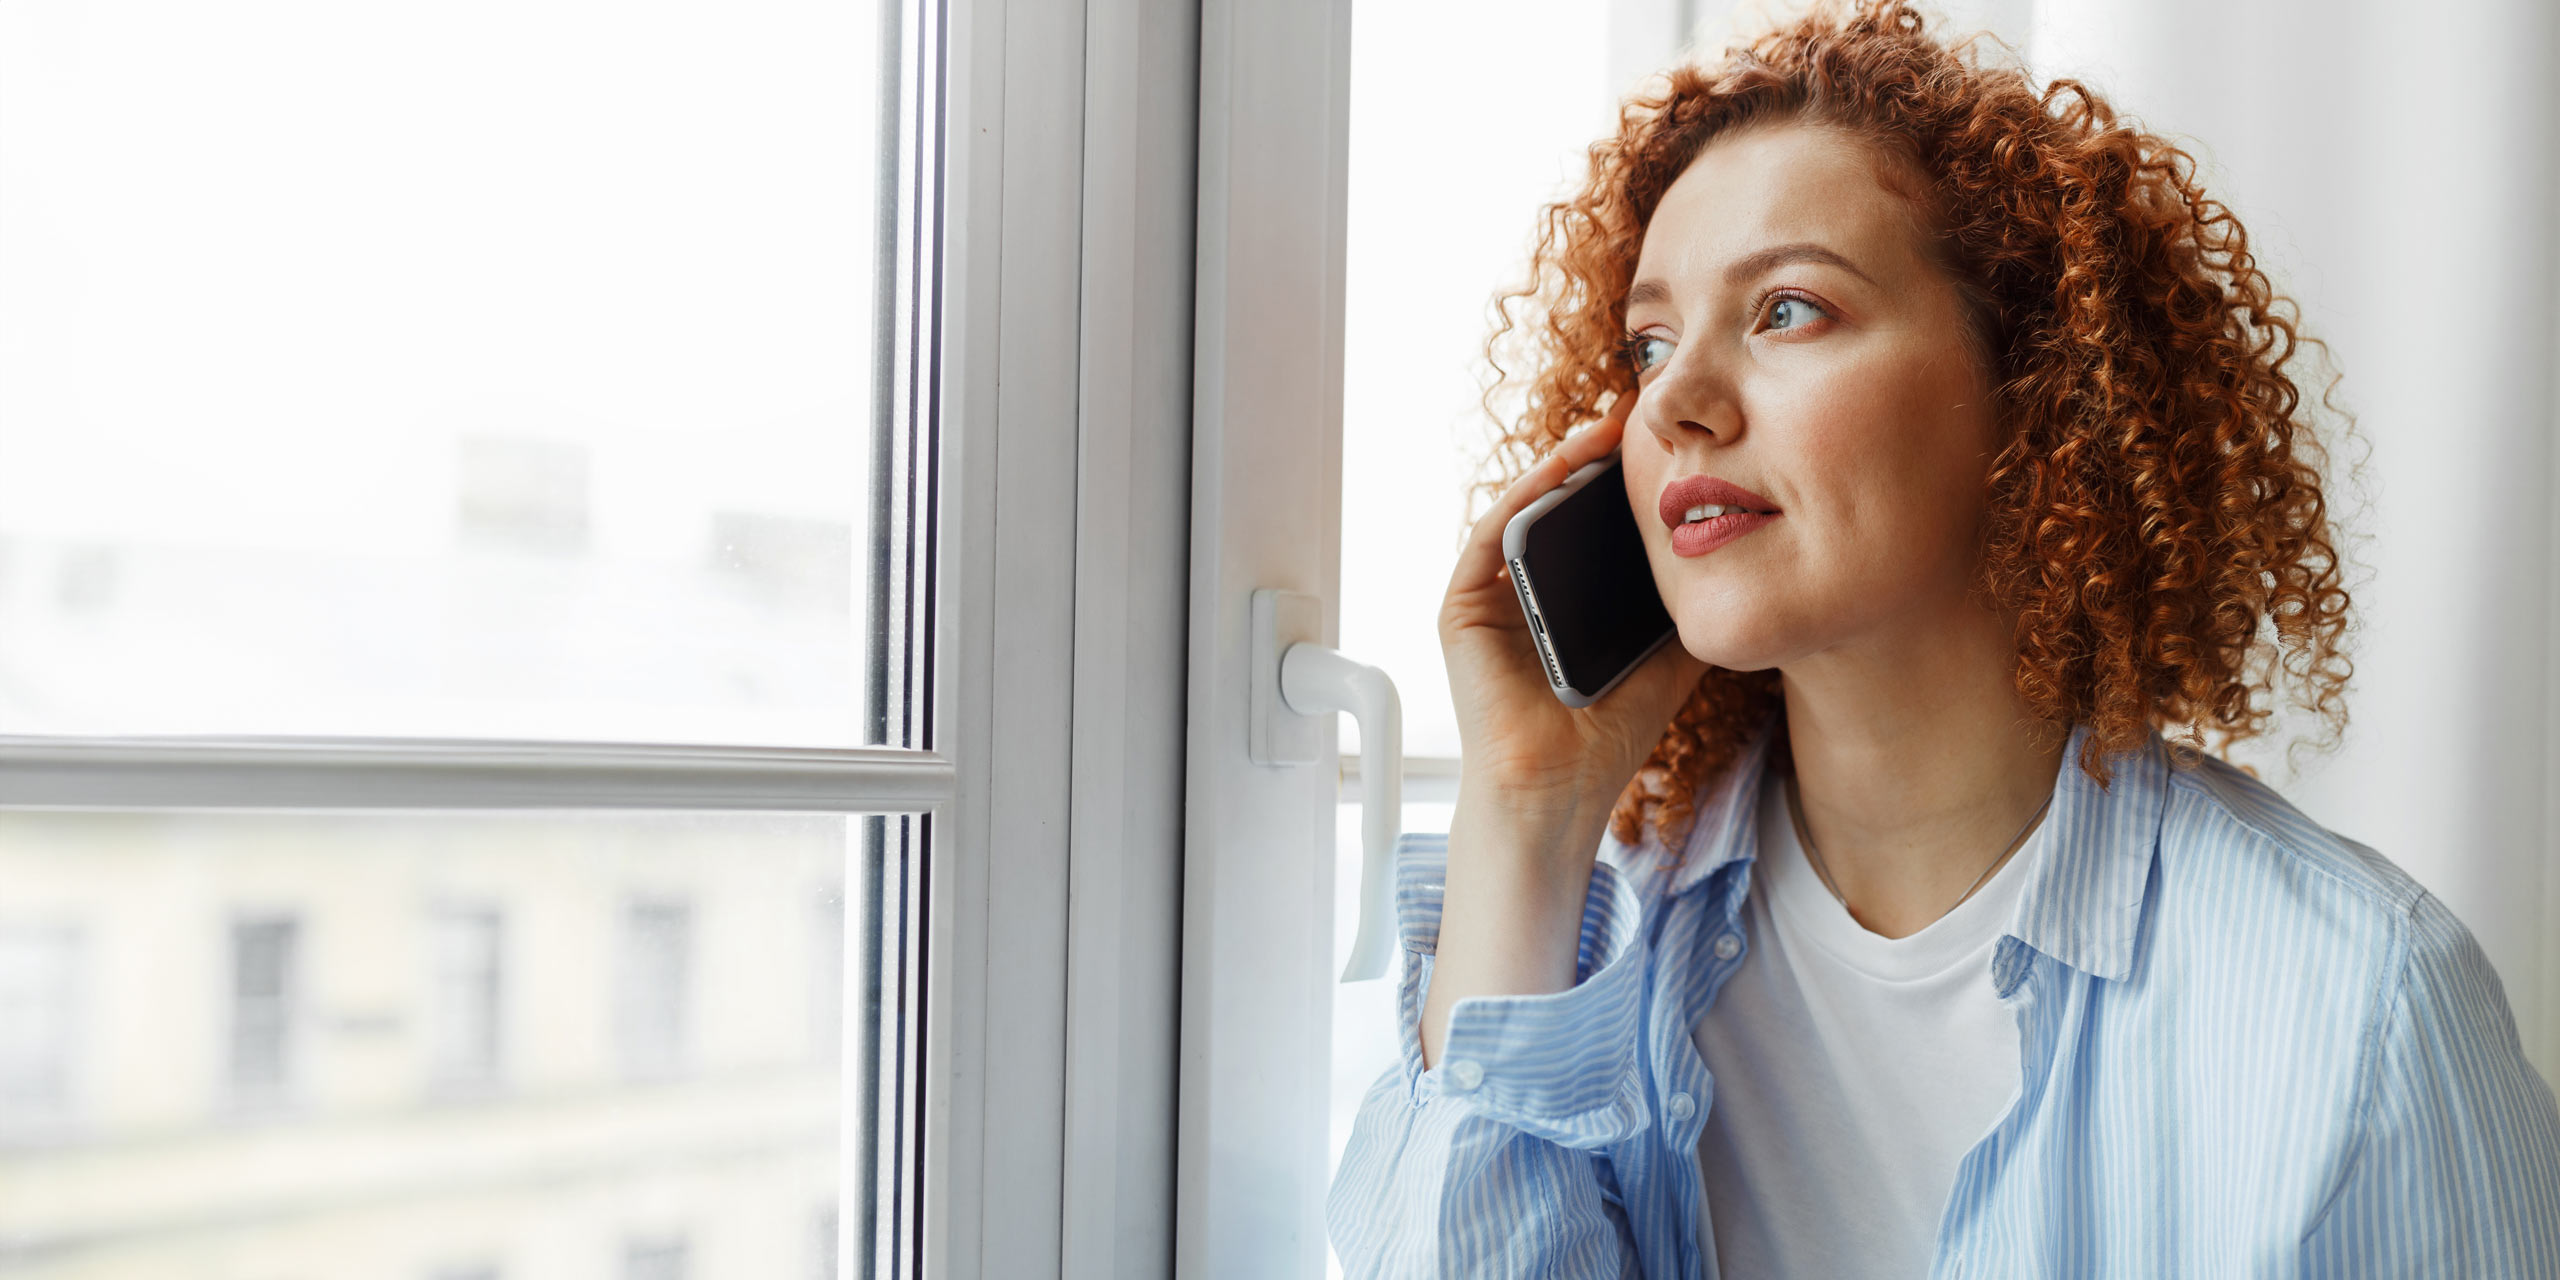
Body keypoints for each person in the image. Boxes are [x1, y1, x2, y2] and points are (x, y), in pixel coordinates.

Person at [1323, 1, 2560, 1275]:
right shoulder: (1593, 939)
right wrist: (1528, 807)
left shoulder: (2355, 1009)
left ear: (2032, 391)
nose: (1676, 401)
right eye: (1649, 341)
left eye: (1788, 309)